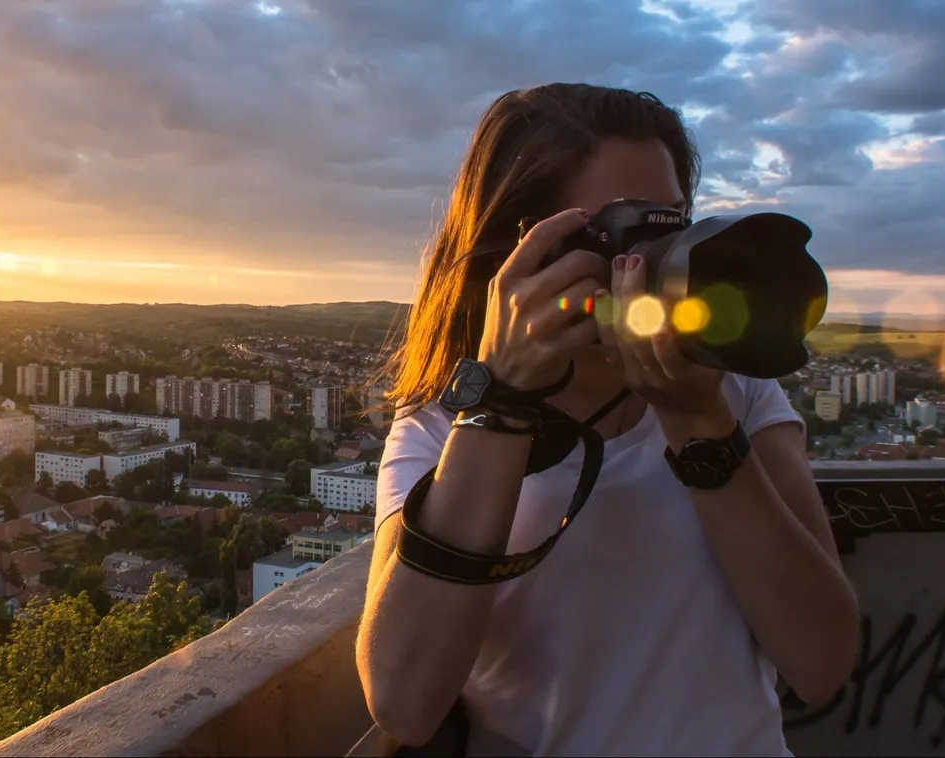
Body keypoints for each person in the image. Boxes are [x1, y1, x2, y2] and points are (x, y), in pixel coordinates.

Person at [356, 83, 859, 757]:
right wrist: (500, 407)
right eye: (623, 230)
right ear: (524, 249)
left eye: (671, 224)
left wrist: (697, 423)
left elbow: (822, 661)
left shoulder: (736, 396)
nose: (648, 264)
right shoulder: (440, 430)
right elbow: (403, 705)